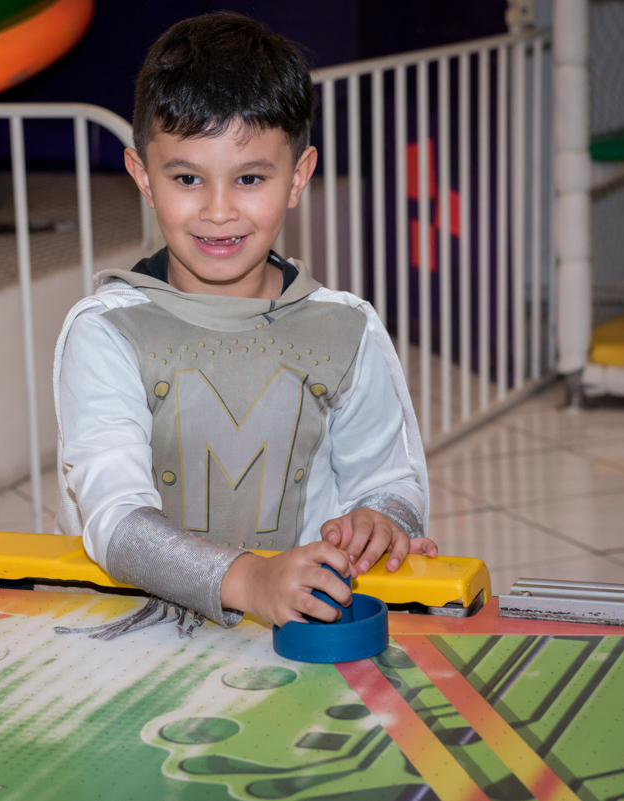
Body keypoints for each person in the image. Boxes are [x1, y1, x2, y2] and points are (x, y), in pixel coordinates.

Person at [53, 11, 436, 629]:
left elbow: (391, 483)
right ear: (143, 178)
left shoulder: (347, 331)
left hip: (299, 637)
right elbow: (115, 522)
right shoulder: (107, 330)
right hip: (128, 639)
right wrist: (252, 578)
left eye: (250, 177)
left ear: (298, 177)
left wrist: (381, 520)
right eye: (187, 178)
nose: (219, 210)